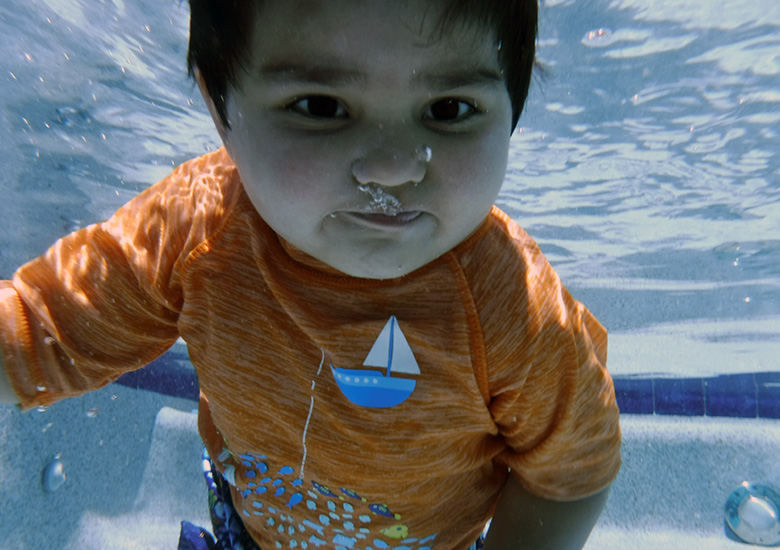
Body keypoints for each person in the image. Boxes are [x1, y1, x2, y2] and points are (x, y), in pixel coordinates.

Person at [0, 1, 621, 549]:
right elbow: (36, 331)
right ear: (221, 110)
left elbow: (573, 474)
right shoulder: (194, 230)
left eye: (450, 108)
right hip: (249, 529)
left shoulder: (510, 305)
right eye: (320, 106)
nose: (392, 167)